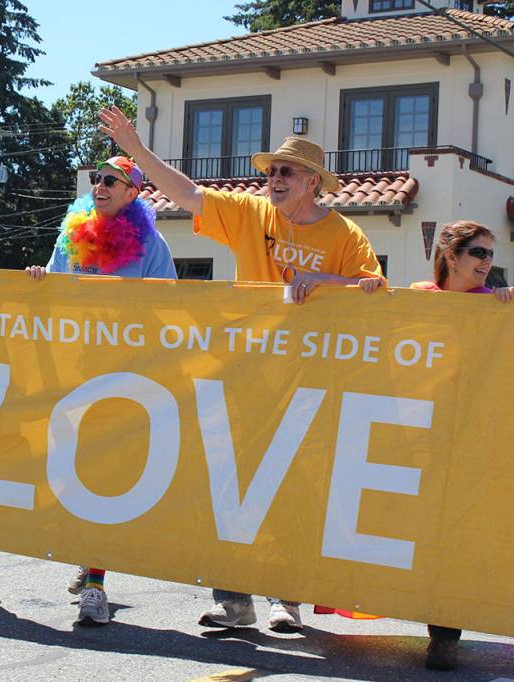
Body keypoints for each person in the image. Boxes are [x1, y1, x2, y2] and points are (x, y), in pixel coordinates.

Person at [100, 106, 383, 633]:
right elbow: (187, 194)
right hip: (247, 372)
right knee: (225, 483)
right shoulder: (253, 213)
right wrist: (136, 152)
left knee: (290, 488)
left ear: (313, 183)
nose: (273, 180)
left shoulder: (345, 235)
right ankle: (234, 599)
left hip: (309, 381)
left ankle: (286, 599)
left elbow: (376, 291)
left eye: (286, 173)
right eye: (271, 171)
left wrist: (324, 279)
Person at [26, 155, 176, 626]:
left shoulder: (152, 242)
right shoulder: (72, 231)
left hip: (123, 377)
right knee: (72, 472)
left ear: (133, 193)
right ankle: (90, 557)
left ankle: (95, 582)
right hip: (75, 371)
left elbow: (170, 303)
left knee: (106, 475)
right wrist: (36, 279)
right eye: (96, 178)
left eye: (111, 180)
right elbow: (52, 283)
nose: (100, 185)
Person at [362, 219, 512, 670]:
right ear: (451, 254)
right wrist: (362, 296)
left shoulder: (496, 306)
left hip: (470, 441)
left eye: (491, 255)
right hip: (417, 435)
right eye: (478, 253)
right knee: (416, 531)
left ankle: (445, 636)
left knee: (455, 535)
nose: (488, 263)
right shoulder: (417, 297)